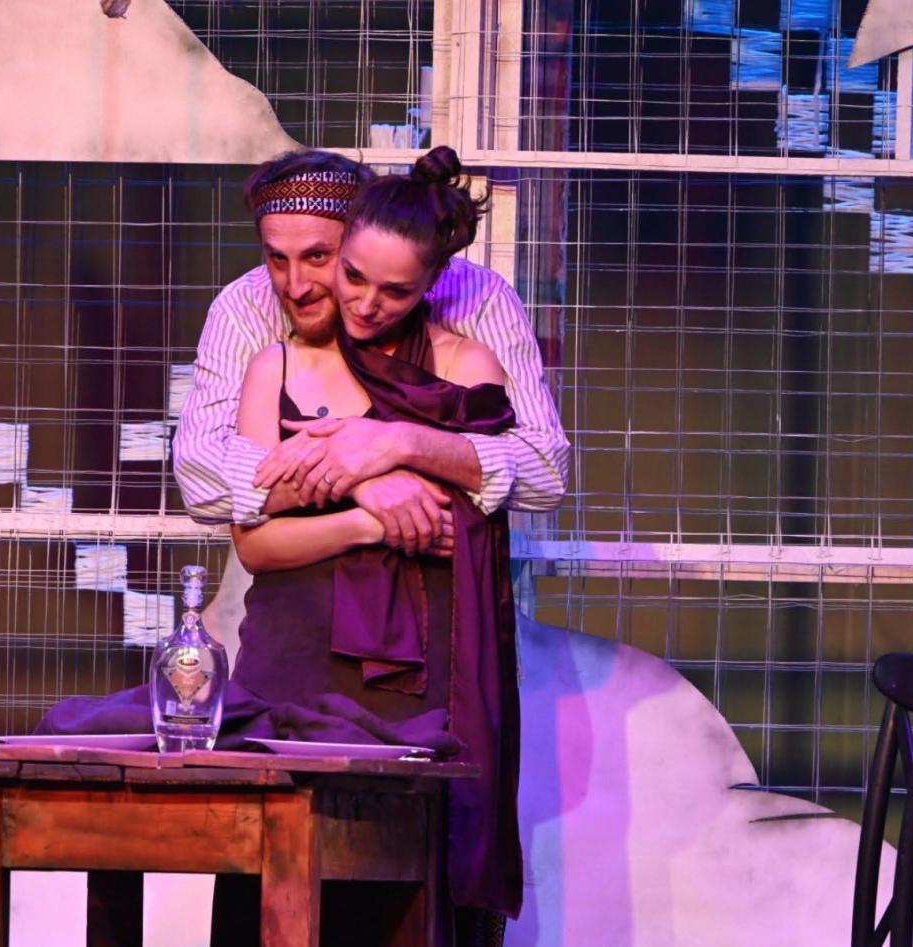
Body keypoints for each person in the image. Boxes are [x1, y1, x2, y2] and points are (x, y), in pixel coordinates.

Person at [212, 145, 524, 941]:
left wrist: (384, 450)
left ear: (431, 283)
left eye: (396, 290)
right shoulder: (276, 366)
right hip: (289, 667)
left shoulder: (466, 364)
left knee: (398, 906)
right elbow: (256, 544)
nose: (365, 303)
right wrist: (366, 517)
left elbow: (471, 516)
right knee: (271, 901)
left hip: (413, 687)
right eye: (353, 276)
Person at [172, 149, 569, 551]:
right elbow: (200, 480)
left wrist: (400, 444)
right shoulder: (244, 306)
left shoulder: (477, 297)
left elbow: (545, 475)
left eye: (318, 256)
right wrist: (358, 477)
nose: (296, 286)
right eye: (277, 258)